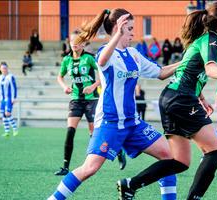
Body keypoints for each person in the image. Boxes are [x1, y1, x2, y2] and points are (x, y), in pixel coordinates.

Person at [119, 2, 217, 200]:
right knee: (215, 153)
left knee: (180, 162)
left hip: (171, 98)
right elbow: (209, 69)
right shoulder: (212, 40)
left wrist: (201, 97)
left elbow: (189, 71)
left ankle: (130, 185)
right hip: (181, 99)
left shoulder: (202, 40)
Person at [48, 8, 181, 200]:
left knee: (171, 158)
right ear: (118, 29)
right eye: (129, 29)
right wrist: (118, 33)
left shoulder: (134, 54)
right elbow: (101, 61)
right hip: (109, 123)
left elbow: (160, 72)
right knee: (89, 168)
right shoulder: (105, 52)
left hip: (133, 124)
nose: (133, 33)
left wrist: (186, 61)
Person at [54, 29, 106, 176]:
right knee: (70, 131)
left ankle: (112, 155)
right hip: (76, 99)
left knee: (94, 132)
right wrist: (65, 87)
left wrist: (93, 86)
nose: (74, 44)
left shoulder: (89, 58)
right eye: (72, 42)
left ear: (83, 44)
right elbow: (60, 77)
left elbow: (103, 73)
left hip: (91, 100)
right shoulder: (67, 60)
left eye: (77, 42)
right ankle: (65, 166)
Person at [0, 62, 18, 137]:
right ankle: (7, 132)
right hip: (3, 99)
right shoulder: (0, 77)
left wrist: (14, 98)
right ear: (0, 69)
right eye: (2, 68)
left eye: (5, 68)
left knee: (7, 113)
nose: (4, 69)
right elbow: (0, 88)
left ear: (7, 68)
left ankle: (15, 129)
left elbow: (14, 88)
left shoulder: (10, 76)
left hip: (9, 98)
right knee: (3, 114)